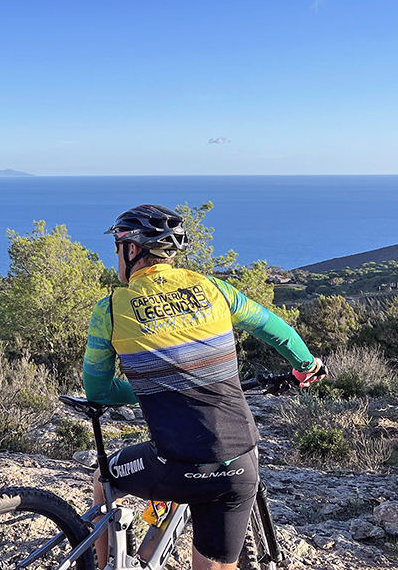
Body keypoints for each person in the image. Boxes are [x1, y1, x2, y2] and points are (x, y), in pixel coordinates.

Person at [83, 204, 323, 570]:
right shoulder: (215, 289)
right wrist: (306, 367)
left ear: (131, 249)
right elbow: (276, 330)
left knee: (105, 477)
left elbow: (98, 391)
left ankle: (101, 566)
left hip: (172, 467)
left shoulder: (111, 310)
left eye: (117, 249)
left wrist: (148, 387)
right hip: (237, 467)